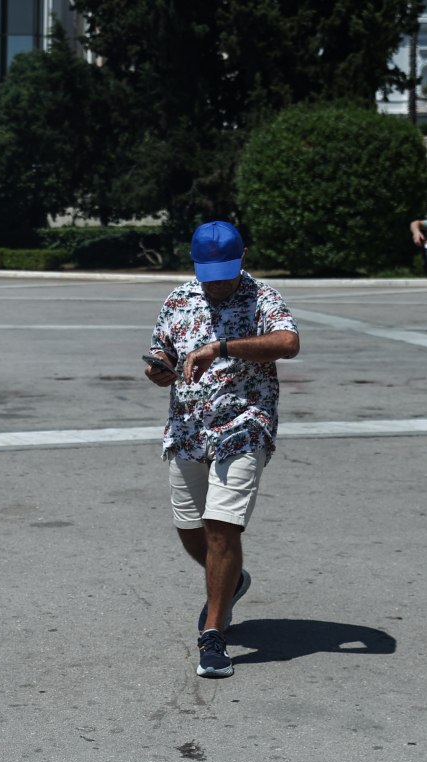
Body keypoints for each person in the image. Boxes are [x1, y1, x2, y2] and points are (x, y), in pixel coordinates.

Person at [144, 220, 300, 679]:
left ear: (243, 257)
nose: (217, 284)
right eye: (209, 275)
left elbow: (288, 342)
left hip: (244, 425)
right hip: (188, 427)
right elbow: (161, 351)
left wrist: (223, 347)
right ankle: (232, 582)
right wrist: (159, 370)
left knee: (221, 525)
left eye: (225, 274)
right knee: (189, 527)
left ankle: (213, 634)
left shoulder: (262, 298)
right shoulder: (178, 299)